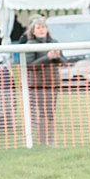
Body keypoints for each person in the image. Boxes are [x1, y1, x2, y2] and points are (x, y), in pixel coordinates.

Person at [25, 17, 67, 145]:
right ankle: (44, 141)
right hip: (38, 85)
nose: (41, 30)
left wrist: (57, 57)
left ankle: (50, 140)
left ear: (47, 29)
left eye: (43, 27)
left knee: (50, 112)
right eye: (38, 28)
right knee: (43, 112)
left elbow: (64, 63)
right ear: (33, 31)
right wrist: (47, 58)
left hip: (53, 83)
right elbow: (29, 65)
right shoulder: (30, 45)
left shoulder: (55, 42)